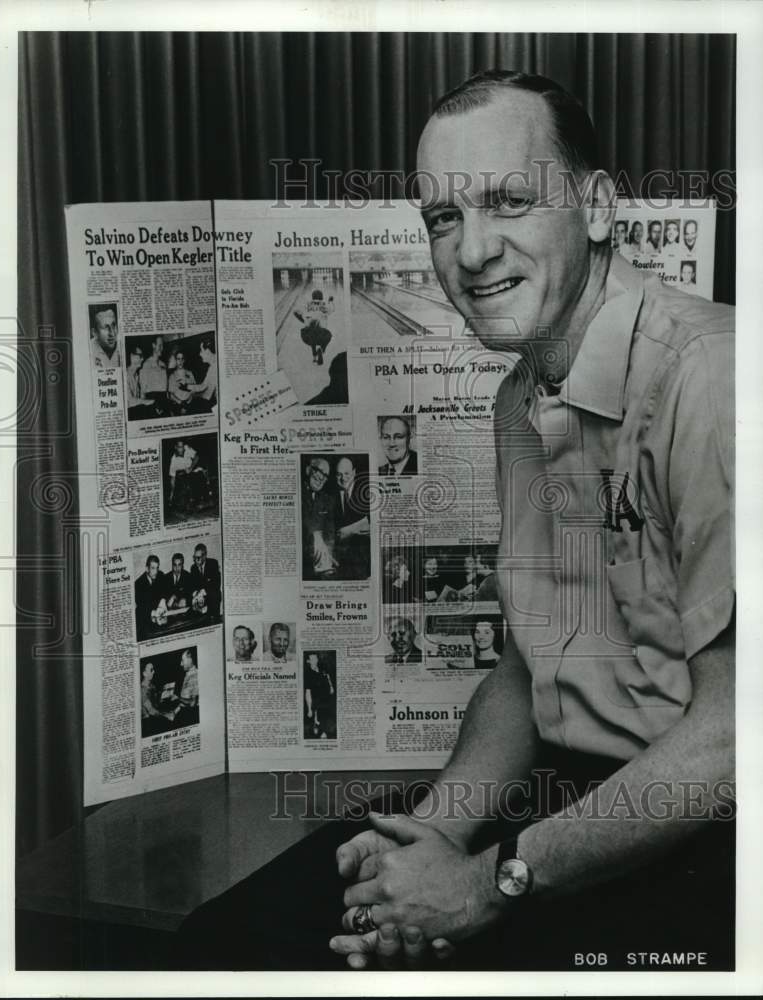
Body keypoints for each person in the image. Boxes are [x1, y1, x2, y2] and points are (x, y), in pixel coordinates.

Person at [176, 69, 734, 973]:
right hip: (564, 796)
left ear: (595, 207)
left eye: (509, 201)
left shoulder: (711, 376)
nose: (471, 252)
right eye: (442, 217)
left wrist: (489, 880)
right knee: (228, 948)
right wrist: (428, 838)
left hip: (702, 832)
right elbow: (530, 669)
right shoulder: (520, 398)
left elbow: (734, 739)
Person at [333, 457, 371, 580]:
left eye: (346, 473)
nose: (343, 478)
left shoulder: (367, 492)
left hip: (363, 563)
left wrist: (348, 531)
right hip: (339, 562)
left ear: (354, 472)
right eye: (339, 474)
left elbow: (371, 525)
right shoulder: (330, 495)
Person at [301, 457, 337, 579]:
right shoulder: (296, 493)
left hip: (321, 563)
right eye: (319, 472)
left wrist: (329, 552)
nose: (322, 478)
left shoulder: (328, 500)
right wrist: (315, 535)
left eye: (326, 475)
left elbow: (330, 531)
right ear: (308, 470)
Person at [168, 439, 211, 510]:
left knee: (200, 473)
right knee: (184, 484)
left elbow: (196, 457)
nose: (181, 449)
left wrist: (191, 468)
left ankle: (204, 499)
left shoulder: (187, 448)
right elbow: (172, 477)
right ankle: (191, 501)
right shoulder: (174, 459)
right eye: (179, 447)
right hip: (183, 475)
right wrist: (171, 495)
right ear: (175, 447)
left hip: (193, 469)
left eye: (182, 446)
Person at [295, 289, 335, 365]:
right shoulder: (324, 305)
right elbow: (332, 309)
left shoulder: (307, 304)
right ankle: (322, 350)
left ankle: (314, 356)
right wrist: (330, 301)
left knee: (312, 337)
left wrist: (303, 320)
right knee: (328, 336)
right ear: (321, 297)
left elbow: (295, 311)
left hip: (307, 334)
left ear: (312, 297)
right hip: (321, 333)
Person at [304, 652, 336, 739]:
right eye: (312, 659)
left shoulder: (322, 668)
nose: (315, 661)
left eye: (316, 658)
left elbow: (327, 676)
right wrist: (309, 709)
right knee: (320, 728)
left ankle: (321, 729)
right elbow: (307, 693)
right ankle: (318, 728)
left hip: (327, 700)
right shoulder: (308, 674)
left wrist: (331, 686)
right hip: (317, 703)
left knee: (328, 724)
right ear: (308, 661)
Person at [134, 554, 167, 639]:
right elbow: (141, 606)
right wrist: (153, 612)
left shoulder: (161, 575)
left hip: (160, 617)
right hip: (146, 620)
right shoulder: (138, 584)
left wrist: (163, 600)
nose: (156, 571)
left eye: (157, 568)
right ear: (147, 568)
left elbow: (165, 591)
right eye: (153, 568)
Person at [190, 543, 222, 616]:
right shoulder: (193, 568)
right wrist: (196, 594)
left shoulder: (213, 563)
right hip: (200, 599)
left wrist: (203, 592)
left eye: (198, 558)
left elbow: (216, 584)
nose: (196, 561)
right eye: (194, 557)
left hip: (212, 596)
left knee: (215, 596)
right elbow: (193, 585)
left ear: (204, 556)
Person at [186, 337, 218, 410]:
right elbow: (207, 392)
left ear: (208, 351)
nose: (200, 354)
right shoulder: (213, 366)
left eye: (201, 350)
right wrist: (193, 393)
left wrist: (187, 387)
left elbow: (204, 388)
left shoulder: (214, 367)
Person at [89, 304, 119, 369]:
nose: (112, 333)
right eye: (106, 327)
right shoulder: (88, 350)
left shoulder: (124, 345)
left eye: (113, 325)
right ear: (95, 333)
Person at [140, 334, 168, 401]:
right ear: (153, 345)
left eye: (163, 345)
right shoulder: (146, 364)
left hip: (164, 400)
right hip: (152, 400)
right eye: (160, 345)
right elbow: (143, 390)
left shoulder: (163, 364)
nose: (162, 348)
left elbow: (166, 388)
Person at [167, 349, 196, 413]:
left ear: (184, 360)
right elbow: (170, 394)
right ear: (175, 360)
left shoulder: (189, 373)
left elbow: (194, 390)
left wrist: (188, 403)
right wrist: (181, 403)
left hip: (190, 405)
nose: (180, 361)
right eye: (178, 359)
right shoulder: (172, 376)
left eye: (182, 359)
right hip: (177, 406)